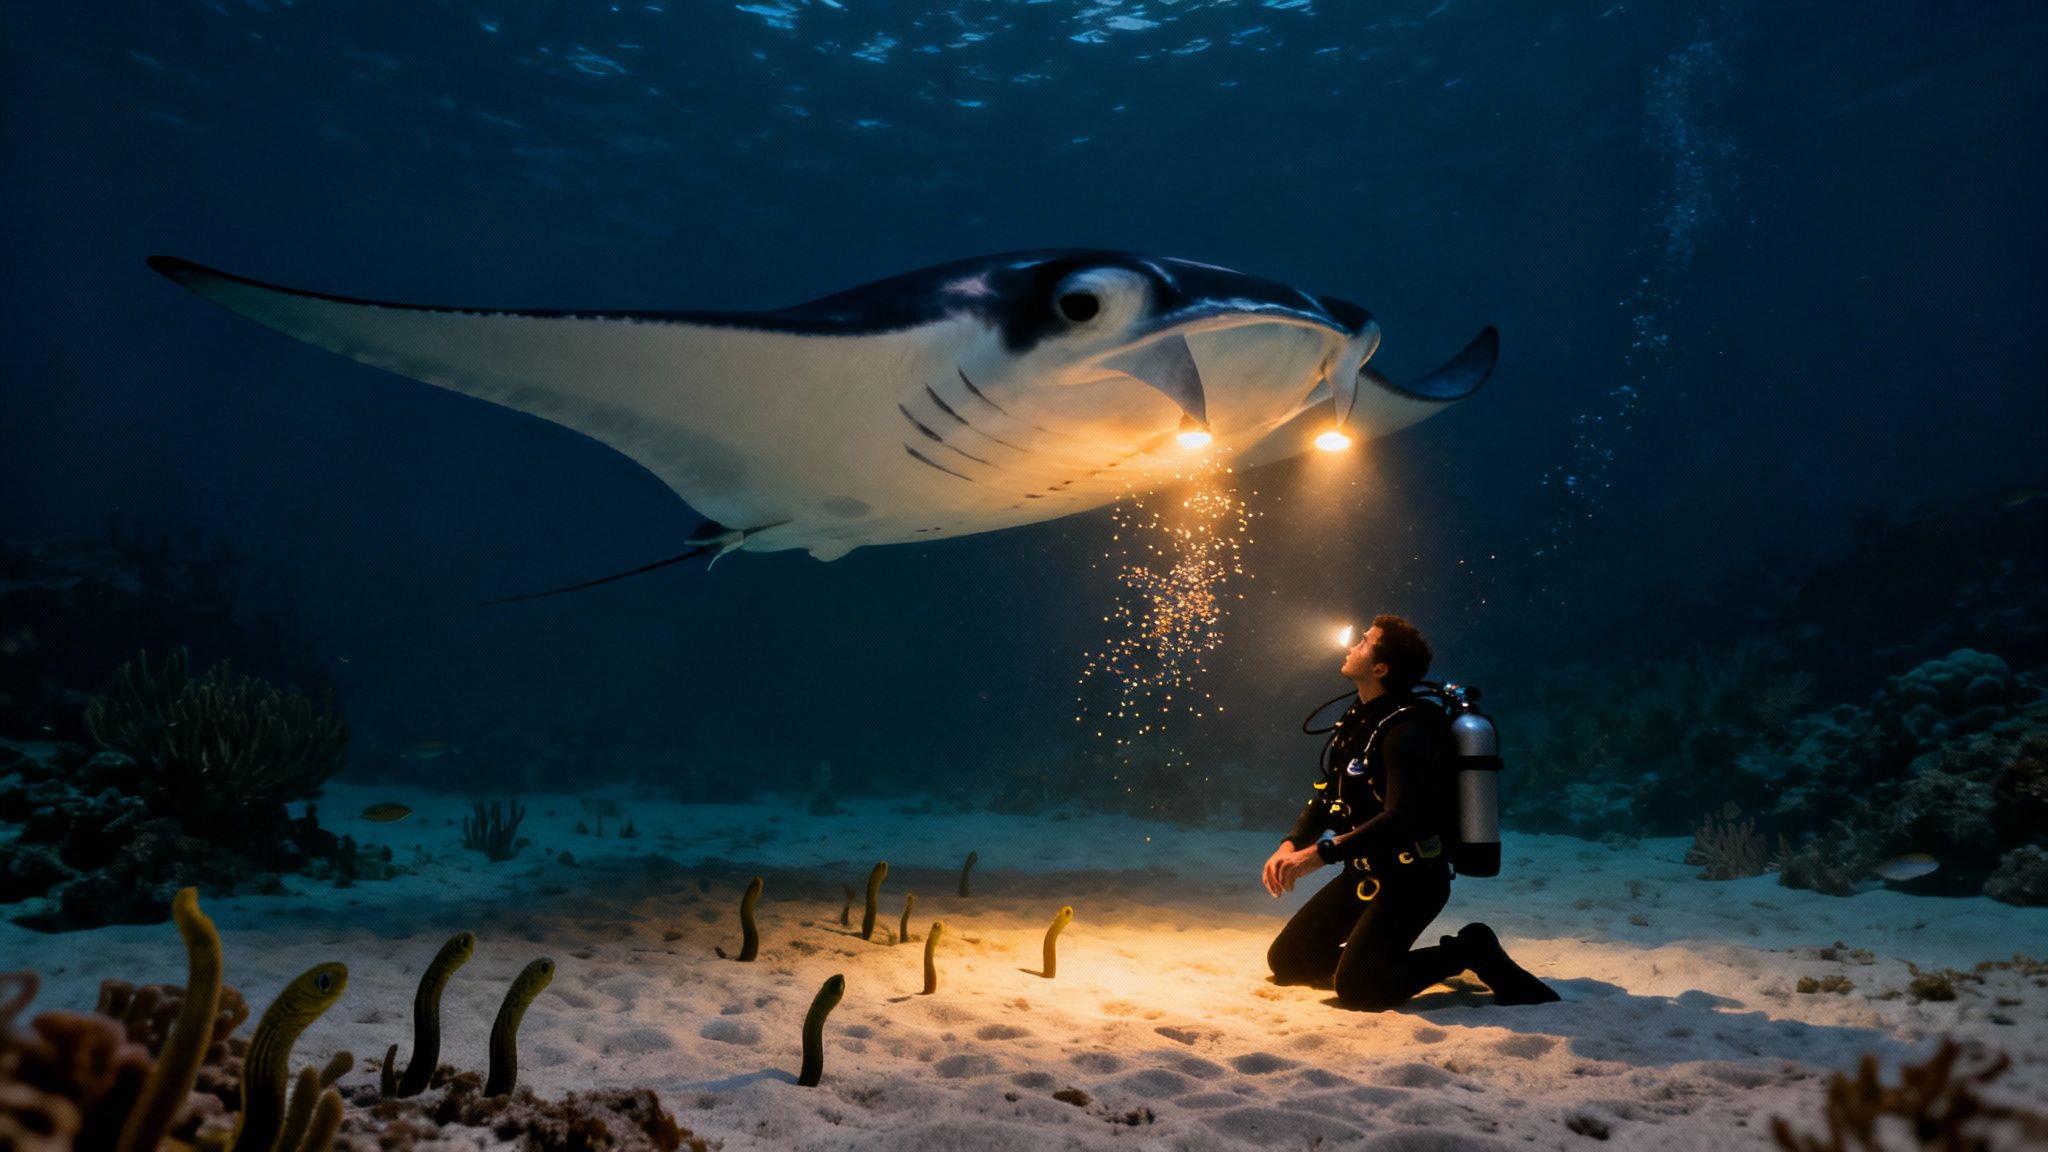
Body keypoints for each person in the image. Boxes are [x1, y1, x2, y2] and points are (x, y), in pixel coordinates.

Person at [1263, 615, 1559, 1009]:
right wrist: (1290, 844)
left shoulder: (1406, 731)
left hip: (1412, 882)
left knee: (1360, 991)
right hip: (1365, 872)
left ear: (1380, 668)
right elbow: (1327, 796)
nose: (1352, 645)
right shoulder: (1358, 719)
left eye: (1365, 641)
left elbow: (1403, 817)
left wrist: (1323, 853)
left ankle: (1470, 950)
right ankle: (1378, 964)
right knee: (1288, 961)